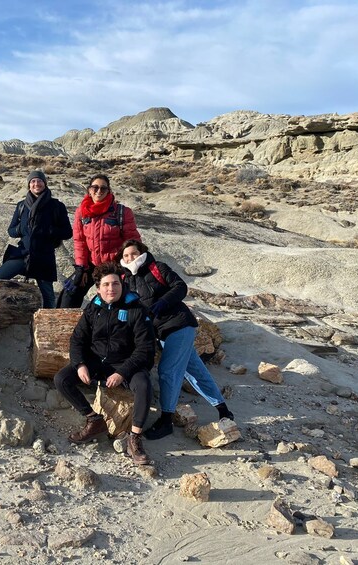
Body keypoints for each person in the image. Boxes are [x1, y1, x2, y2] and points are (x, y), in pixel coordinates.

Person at [117, 239, 234, 440]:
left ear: (142, 253)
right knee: (194, 370)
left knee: (167, 371)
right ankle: (224, 410)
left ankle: (166, 420)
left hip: (179, 324)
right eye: (126, 255)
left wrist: (162, 303)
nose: (130, 258)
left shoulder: (157, 267)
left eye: (133, 254)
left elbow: (180, 287)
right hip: (160, 332)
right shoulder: (125, 279)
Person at [54, 262, 155, 465]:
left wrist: (122, 373)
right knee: (61, 379)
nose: (111, 289)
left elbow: (145, 349)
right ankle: (94, 420)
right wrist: (80, 363)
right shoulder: (94, 307)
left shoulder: (136, 308)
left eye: (115, 284)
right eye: (106, 285)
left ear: (122, 284)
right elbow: (77, 339)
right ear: (98, 288)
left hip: (127, 364)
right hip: (97, 361)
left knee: (144, 385)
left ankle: (134, 438)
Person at [58, 174, 141, 308]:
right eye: (95, 187)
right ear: (89, 190)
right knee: (70, 292)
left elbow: (133, 242)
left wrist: (129, 267)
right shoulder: (81, 212)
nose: (99, 191)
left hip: (115, 265)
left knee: (116, 298)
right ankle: (62, 325)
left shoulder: (122, 212)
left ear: (109, 191)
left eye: (103, 188)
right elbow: (80, 241)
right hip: (92, 264)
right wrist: (81, 268)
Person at [0, 171, 73, 308]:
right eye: (33, 181)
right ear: (29, 185)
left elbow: (67, 232)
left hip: (44, 256)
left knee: (48, 295)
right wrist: (20, 230)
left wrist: (50, 230)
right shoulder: (21, 206)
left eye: (39, 181)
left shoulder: (56, 206)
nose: (36, 184)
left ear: (45, 183)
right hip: (23, 253)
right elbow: (11, 230)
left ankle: (48, 323)